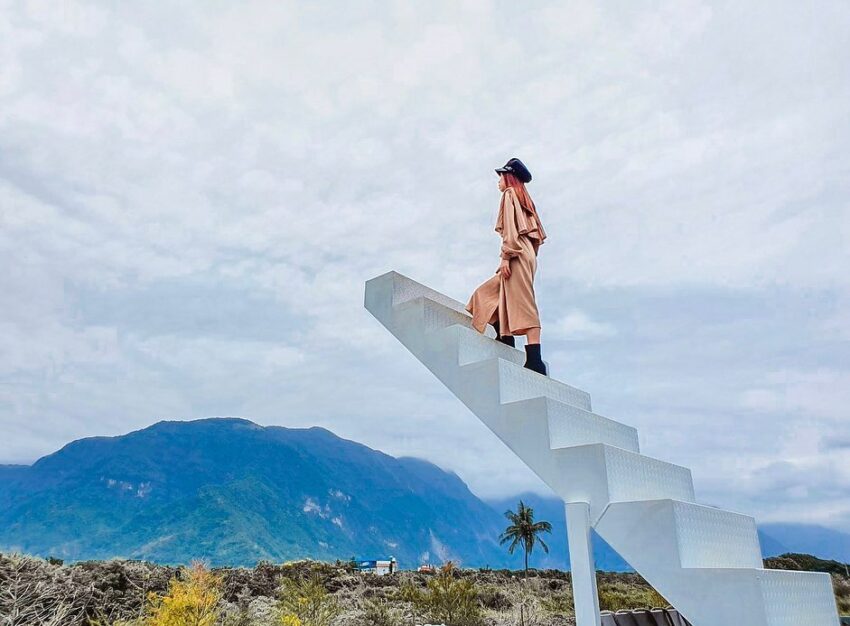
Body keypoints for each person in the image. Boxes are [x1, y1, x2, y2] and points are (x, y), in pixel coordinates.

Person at [465, 157, 548, 376]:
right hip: (527, 255)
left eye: (501, 176)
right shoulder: (525, 201)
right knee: (490, 293)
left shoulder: (510, 194)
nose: (498, 181)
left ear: (509, 177)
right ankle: (505, 336)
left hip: (516, 254)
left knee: (525, 304)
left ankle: (535, 361)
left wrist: (506, 258)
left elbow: (510, 231)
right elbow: (537, 237)